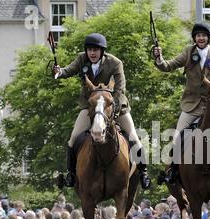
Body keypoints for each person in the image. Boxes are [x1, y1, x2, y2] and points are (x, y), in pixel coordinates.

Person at [54, 33, 151, 189]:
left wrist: (114, 111)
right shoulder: (81, 59)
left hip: (115, 106)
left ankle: (144, 173)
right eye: (90, 50)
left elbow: (119, 90)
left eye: (96, 50)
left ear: (102, 51)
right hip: (90, 107)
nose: (92, 53)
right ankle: (71, 174)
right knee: (73, 139)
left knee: (134, 137)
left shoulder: (115, 63)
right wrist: (59, 71)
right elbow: (67, 71)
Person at [152, 22, 210, 184]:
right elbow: (168, 66)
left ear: (208, 38)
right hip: (191, 105)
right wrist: (159, 58)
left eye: (204, 35)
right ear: (194, 38)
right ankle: (172, 172)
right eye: (198, 35)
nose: (201, 38)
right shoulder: (188, 52)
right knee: (178, 138)